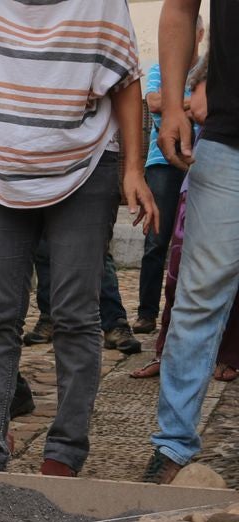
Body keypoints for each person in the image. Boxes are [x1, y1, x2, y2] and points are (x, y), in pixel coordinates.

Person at [0, 0, 156, 478]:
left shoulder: (101, 4)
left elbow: (126, 83)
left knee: (75, 314)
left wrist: (133, 168)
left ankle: (65, 453)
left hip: (85, 168)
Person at [148, 0, 239, 484]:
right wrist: (175, 98)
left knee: (198, 300)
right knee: (198, 298)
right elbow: (180, 8)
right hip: (228, 140)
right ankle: (173, 447)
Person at [132, 57, 239, 384]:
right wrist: (192, 103)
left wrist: (183, 104)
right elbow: (174, 106)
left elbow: (194, 109)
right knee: (177, 271)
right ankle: (166, 353)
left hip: (221, 179)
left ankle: (228, 356)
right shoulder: (206, 67)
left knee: (230, 273)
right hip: (196, 181)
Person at [135, 17, 206, 336]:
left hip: (199, 162)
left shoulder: (210, 69)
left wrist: (174, 104)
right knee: (156, 241)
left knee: (194, 243)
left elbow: (208, 109)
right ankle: (147, 313)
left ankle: (183, 314)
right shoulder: (158, 69)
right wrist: (190, 104)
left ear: (200, 34)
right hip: (160, 162)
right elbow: (153, 102)